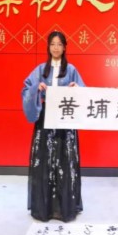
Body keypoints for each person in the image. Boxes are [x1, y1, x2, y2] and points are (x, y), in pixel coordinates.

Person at [21, 31, 85, 222]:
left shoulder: (71, 70)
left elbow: (84, 92)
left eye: (59, 44)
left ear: (65, 47)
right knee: (45, 161)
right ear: (48, 47)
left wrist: (77, 89)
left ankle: (64, 208)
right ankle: (45, 207)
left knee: (65, 161)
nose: (56, 48)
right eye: (52, 44)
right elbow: (26, 89)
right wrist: (36, 88)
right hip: (46, 121)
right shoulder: (41, 69)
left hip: (65, 120)